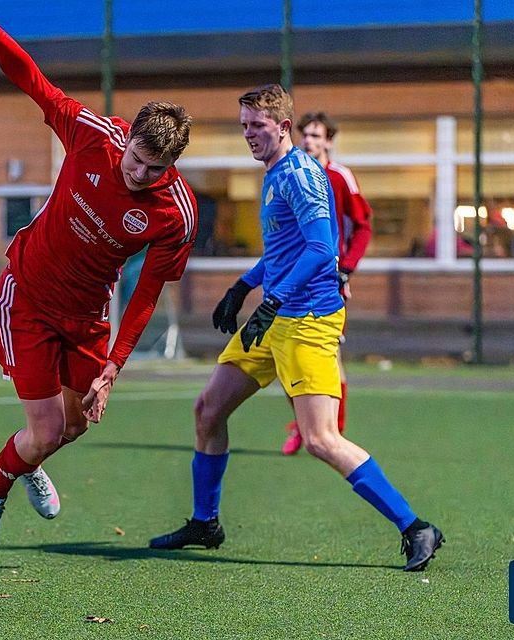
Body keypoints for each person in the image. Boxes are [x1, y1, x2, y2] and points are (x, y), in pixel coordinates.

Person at [149, 85, 443, 572]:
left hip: (307, 320)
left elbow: (321, 250)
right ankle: (206, 522)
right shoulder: (273, 174)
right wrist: (243, 286)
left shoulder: (301, 175)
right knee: (208, 409)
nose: (249, 135)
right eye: (243, 126)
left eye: (257, 126)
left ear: (283, 128)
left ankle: (416, 527)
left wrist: (275, 298)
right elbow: (286, 250)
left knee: (321, 439)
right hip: (275, 316)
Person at [0, 0, 197, 556]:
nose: (138, 173)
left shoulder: (176, 214)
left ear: (172, 167)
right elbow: (30, 79)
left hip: (88, 317)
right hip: (29, 299)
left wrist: (114, 366)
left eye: (153, 169)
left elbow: (146, 295)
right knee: (43, 431)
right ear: (129, 135)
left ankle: (26, 458)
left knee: (75, 424)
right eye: (136, 157)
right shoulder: (92, 134)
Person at [279, 112, 373, 455]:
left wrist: (346, 268)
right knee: (285, 356)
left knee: (328, 356)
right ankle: (305, 426)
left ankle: (332, 430)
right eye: (306, 135)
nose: (309, 141)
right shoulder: (291, 174)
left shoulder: (339, 177)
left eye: (317, 136)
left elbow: (363, 226)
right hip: (290, 280)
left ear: (329, 141)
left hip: (326, 283)